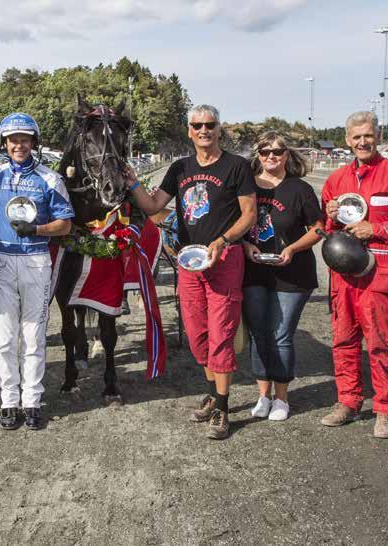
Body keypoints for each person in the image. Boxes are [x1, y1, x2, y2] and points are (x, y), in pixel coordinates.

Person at [126, 104, 257, 439]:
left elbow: (249, 215)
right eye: (197, 125)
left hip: (224, 260)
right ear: (189, 130)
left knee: (221, 335)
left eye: (209, 125)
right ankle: (214, 394)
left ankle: (223, 409)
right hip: (189, 263)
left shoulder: (236, 167)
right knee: (198, 340)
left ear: (218, 128)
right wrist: (132, 182)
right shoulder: (180, 168)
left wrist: (224, 240)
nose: (203, 131)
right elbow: (154, 206)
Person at [320, 111, 388, 439]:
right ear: (347, 140)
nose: (363, 142)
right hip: (343, 277)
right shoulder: (336, 180)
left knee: (381, 343)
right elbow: (328, 229)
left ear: (378, 137)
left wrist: (376, 228)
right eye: (356, 137)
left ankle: (385, 409)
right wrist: (330, 214)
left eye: (368, 135)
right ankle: (348, 401)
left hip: (378, 274)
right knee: (343, 340)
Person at [0, 113, 74, 430]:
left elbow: (66, 224)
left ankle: (32, 401)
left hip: (35, 260)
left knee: (33, 335)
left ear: (34, 142)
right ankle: (9, 401)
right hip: (2, 261)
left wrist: (37, 229)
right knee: (5, 338)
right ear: (4, 144)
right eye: (12, 140)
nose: (18, 145)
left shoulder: (50, 178)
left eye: (24, 139)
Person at [242, 132, 323, 421]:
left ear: (287, 154)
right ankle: (263, 396)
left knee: (281, 335)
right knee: (258, 334)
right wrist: (245, 245)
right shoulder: (247, 185)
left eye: (277, 151)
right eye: (265, 152)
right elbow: (233, 223)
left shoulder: (299, 189)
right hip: (253, 271)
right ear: (258, 155)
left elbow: (319, 228)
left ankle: (282, 399)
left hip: (293, 272)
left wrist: (292, 248)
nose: (271, 157)